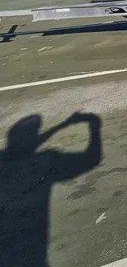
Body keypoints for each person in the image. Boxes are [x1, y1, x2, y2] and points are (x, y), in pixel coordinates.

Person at [0, 113, 102, 267]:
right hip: (31, 256)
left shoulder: (5, 161)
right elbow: (91, 158)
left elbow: (26, 148)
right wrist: (95, 128)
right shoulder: (43, 163)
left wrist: (61, 126)